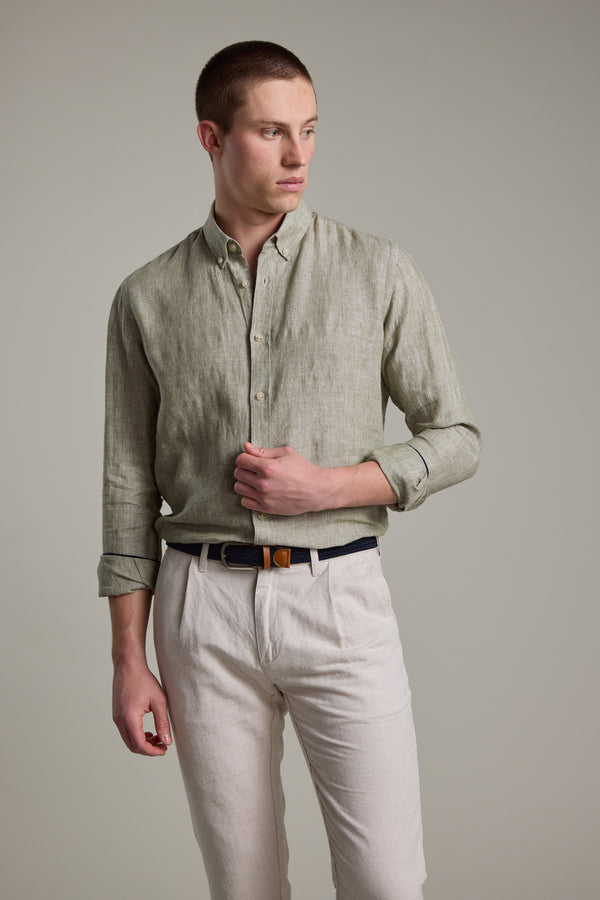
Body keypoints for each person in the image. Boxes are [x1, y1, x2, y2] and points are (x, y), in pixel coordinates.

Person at [98, 40, 480, 900]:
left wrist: (334, 486)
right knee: (244, 886)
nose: (298, 154)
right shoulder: (147, 297)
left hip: (337, 597)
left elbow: (456, 435)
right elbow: (127, 490)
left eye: (309, 130)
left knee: (386, 882)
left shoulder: (378, 271)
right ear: (211, 137)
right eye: (272, 131)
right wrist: (128, 660)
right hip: (201, 610)